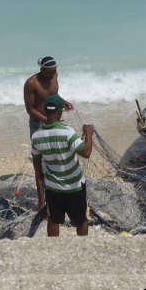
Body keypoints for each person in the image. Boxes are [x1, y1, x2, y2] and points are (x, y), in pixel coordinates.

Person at [30, 94, 94, 237]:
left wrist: (41, 177)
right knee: (81, 220)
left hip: (53, 187)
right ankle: (82, 247)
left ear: (46, 111)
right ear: (59, 112)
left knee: (53, 219)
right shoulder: (68, 132)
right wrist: (89, 133)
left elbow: (36, 161)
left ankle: (53, 249)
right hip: (74, 186)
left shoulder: (36, 136)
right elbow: (86, 152)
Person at [23, 56, 73, 137]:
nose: (52, 75)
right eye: (50, 73)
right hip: (38, 124)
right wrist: (48, 120)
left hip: (54, 121)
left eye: (54, 71)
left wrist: (64, 102)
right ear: (42, 70)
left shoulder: (54, 75)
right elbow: (30, 109)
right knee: (39, 149)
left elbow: (53, 94)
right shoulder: (31, 83)